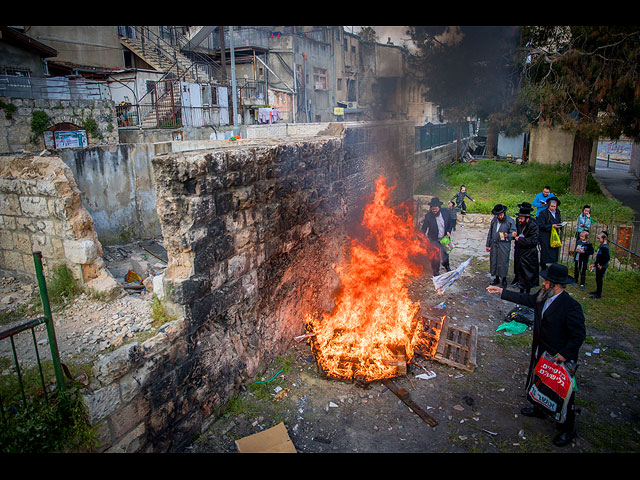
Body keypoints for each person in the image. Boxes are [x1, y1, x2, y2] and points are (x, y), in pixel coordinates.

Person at [486, 263, 586, 448]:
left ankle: (567, 428)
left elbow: (578, 334)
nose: (544, 283)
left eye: (547, 281)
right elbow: (527, 299)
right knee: (539, 379)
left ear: (556, 285)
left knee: (563, 393)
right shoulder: (542, 296)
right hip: (542, 349)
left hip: (558, 356)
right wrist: (501, 291)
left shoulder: (570, 306)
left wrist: (565, 353)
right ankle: (540, 409)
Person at [421, 197, 454, 276]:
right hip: (433, 239)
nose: (434, 210)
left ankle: (447, 266)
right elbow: (424, 228)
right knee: (435, 255)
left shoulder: (446, 213)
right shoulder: (428, 216)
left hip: (444, 238)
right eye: (433, 209)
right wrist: (422, 236)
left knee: (445, 253)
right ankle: (436, 271)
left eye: (436, 209)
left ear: (439, 208)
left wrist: (449, 231)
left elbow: (450, 223)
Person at [485, 204, 516, 287]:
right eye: (498, 215)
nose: (500, 216)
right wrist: (488, 244)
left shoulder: (510, 221)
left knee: (503, 261)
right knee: (494, 261)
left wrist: (508, 236)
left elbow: (513, 233)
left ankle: (504, 279)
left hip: (504, 245)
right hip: (494, 244)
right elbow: (490, 232)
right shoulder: (494, 220)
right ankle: (496, 278)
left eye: (501, 215)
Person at [512, 202, 539, 294]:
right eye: (519, 218)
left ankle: (527, 293)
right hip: (520, 252)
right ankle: (521, 290)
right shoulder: (518, 222)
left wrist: (520, 239)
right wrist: (514, 234)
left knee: (528, 274)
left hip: (529, 254)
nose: (519, 220)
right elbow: (516, 231)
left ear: (527, 218)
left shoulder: (533, 225)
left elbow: (534, 241)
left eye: (521, 218)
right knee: (520, 272)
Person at [537, 197, 563, 271]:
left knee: (554, 249)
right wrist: (551, 226)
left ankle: (553, 264)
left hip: (554, 234)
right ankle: (543, 265)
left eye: (554, 206)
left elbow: (558, 220)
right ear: (548, 205)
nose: (553, 208)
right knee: (545, 250)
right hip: (545, 235)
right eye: (551, 206)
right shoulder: (543, 213)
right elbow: (541, 225)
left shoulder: (557, 212)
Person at [590, 231, 610, 299]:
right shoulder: (602, 246)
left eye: (599, 238)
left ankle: (598, 294)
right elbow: (599, 256)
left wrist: (600, 264)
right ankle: (597, 291)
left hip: (602, 266)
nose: (598, 240)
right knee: (597, 278)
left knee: (599, 279)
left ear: (604, 238)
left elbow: (607, 258)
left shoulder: (605, 248)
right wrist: (595, 264)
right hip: (599, 265)